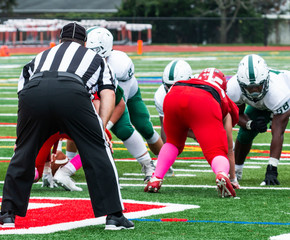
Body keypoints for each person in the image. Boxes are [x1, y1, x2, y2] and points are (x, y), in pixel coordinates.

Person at [0, 22, 134, 230]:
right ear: (84, 42)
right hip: (71, 93)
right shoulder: (95, 58)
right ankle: (114, 216)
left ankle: (8, 213)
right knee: (99, 152)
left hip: (33, 95)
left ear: (60, 40)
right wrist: (102, 128)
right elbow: (108, 92)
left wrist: (23, 134)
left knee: (23, 154)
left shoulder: (41, 56)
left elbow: (23, 92)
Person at [145, 68, 239, 198]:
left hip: (174, 94)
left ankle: (156, 178)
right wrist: (233, 179)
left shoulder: (188, 82)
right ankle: (222, 174)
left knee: (173, 143)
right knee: (216, 151)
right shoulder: (222, 95)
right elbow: (229, 148)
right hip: (204, 101)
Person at [86, 27, 164, 157]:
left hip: (125, 96)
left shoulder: (119, 65)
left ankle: (162, 164)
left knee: (140, 127)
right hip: (96, 96)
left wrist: (105, 127)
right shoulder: (81, 63)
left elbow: (120, 105)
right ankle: (68, 165)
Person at [227, 54, 290, 185]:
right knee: (245, 133)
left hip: (285, 99)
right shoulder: (233, 88)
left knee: (277, 129)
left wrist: (271, 169)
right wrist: (251, 124)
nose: (254, 91)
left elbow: (278, 132)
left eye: (258, 86)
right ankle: (236, 170)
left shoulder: (278, 91)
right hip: (264, 104)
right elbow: (235, 115)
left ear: (266, 80)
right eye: (250, 88)